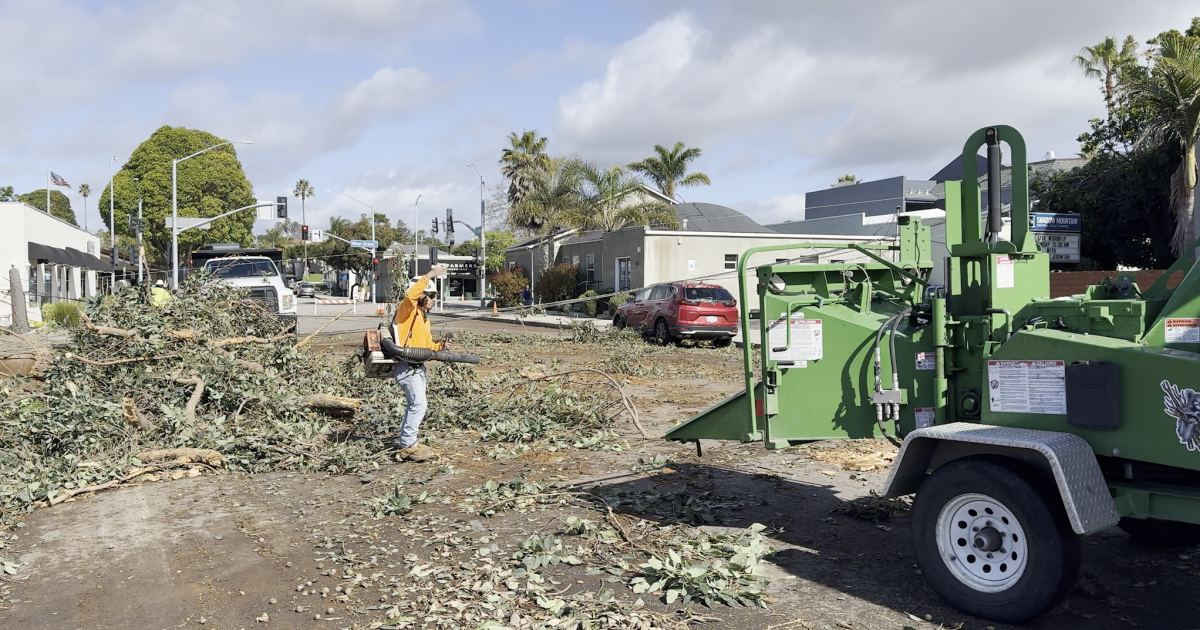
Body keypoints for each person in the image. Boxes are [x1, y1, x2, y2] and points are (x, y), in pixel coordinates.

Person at [392, 265, 450, 462]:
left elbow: (427, 346)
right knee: (418, 404)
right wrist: (429, 275)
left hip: (418, 367)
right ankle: (407, 445)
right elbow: (410, 296)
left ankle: (409, 441)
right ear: (423, 296)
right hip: (407, 367)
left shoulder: (424, 320)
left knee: (418, 404)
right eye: (431, 296)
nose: (434, 300)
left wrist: (441, 346)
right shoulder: (407, 312)